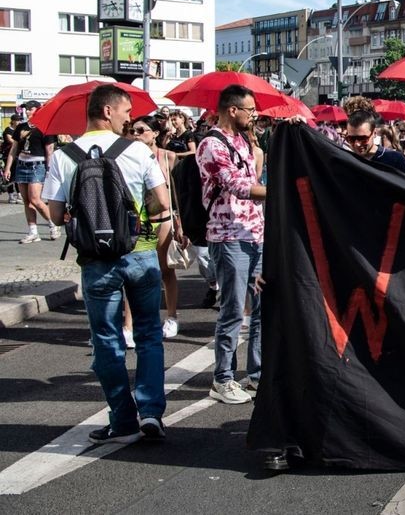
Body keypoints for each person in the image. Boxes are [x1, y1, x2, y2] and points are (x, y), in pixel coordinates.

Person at [44, 84, 171, 444]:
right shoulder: (137, 151)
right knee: (148, 333)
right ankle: (151, 412)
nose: (131, 118)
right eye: (126, 111)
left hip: (95, 261)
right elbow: (162, 203)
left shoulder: (64, 156)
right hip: (139, 253)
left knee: (106, 340)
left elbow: (54, 215)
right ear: (107, 111)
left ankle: (122, 417)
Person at [198, 85, 268, 405]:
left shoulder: (243, 141)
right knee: (233, 310)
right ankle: (223, 378)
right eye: (250, 110)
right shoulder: (212, 144)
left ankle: (256, 374)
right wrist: (277, 190)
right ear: (232, 110)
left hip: (255, 234)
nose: (254, 115)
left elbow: (252, 179)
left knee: (263, 307)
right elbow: (237, 186)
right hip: (228, 237)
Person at [126, 116, 184, 340]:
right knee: (134, 274)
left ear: (155, 133)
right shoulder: (129, 158)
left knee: (165, 269)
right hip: (140, 220)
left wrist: (180, 224)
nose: (136, 134)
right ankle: (129, 326)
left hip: (164, 220)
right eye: (133, 130)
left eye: (141, 130)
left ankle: (171, 316)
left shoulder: (167, 156)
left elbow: (175, 193)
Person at [4, 113, 60, 243]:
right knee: (27, 201)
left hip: (37, 165)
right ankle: (33, 231)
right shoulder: (21, 127)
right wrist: (8, 167)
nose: (28, 111)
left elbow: (49, 151)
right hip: (22, 165)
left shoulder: (46, 128)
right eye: (27, 109)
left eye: (31, 108)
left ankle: (53, 223)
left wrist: (49, 170)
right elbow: (14, 148)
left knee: (35, 199)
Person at [344, 110, 405, 176]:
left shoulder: (394, 159)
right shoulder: (345, 161)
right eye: (351, 139)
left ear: (374, 133)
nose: (357, 144)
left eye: (363, 138)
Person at [1, 114, 19, 203]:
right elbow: (11, 141)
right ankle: (11, 195)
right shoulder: (8, 130)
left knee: (17, 175)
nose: (19, 122)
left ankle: (19, 195)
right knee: (10, 175)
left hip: (17, 155)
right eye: (17, 120)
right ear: (12, 121)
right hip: (8, 155)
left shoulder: (18, 130)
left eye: (20, 120)